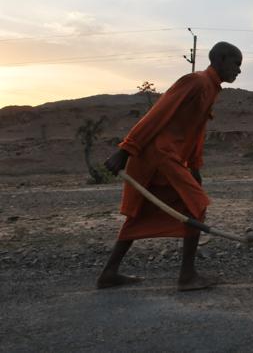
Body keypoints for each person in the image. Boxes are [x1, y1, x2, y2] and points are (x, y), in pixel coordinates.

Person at [97, 41, 242, 291]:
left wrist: (194, 167)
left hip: (168, 159)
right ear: (220, 59)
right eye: (236, 64)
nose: (239, 71)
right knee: (196, 206)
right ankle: (187, 277)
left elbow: (194, 132)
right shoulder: (195, 82)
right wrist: (124, 150)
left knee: (140, 212)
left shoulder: (210, 89)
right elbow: (157, 114)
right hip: (159, 157)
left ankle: (109, 273)